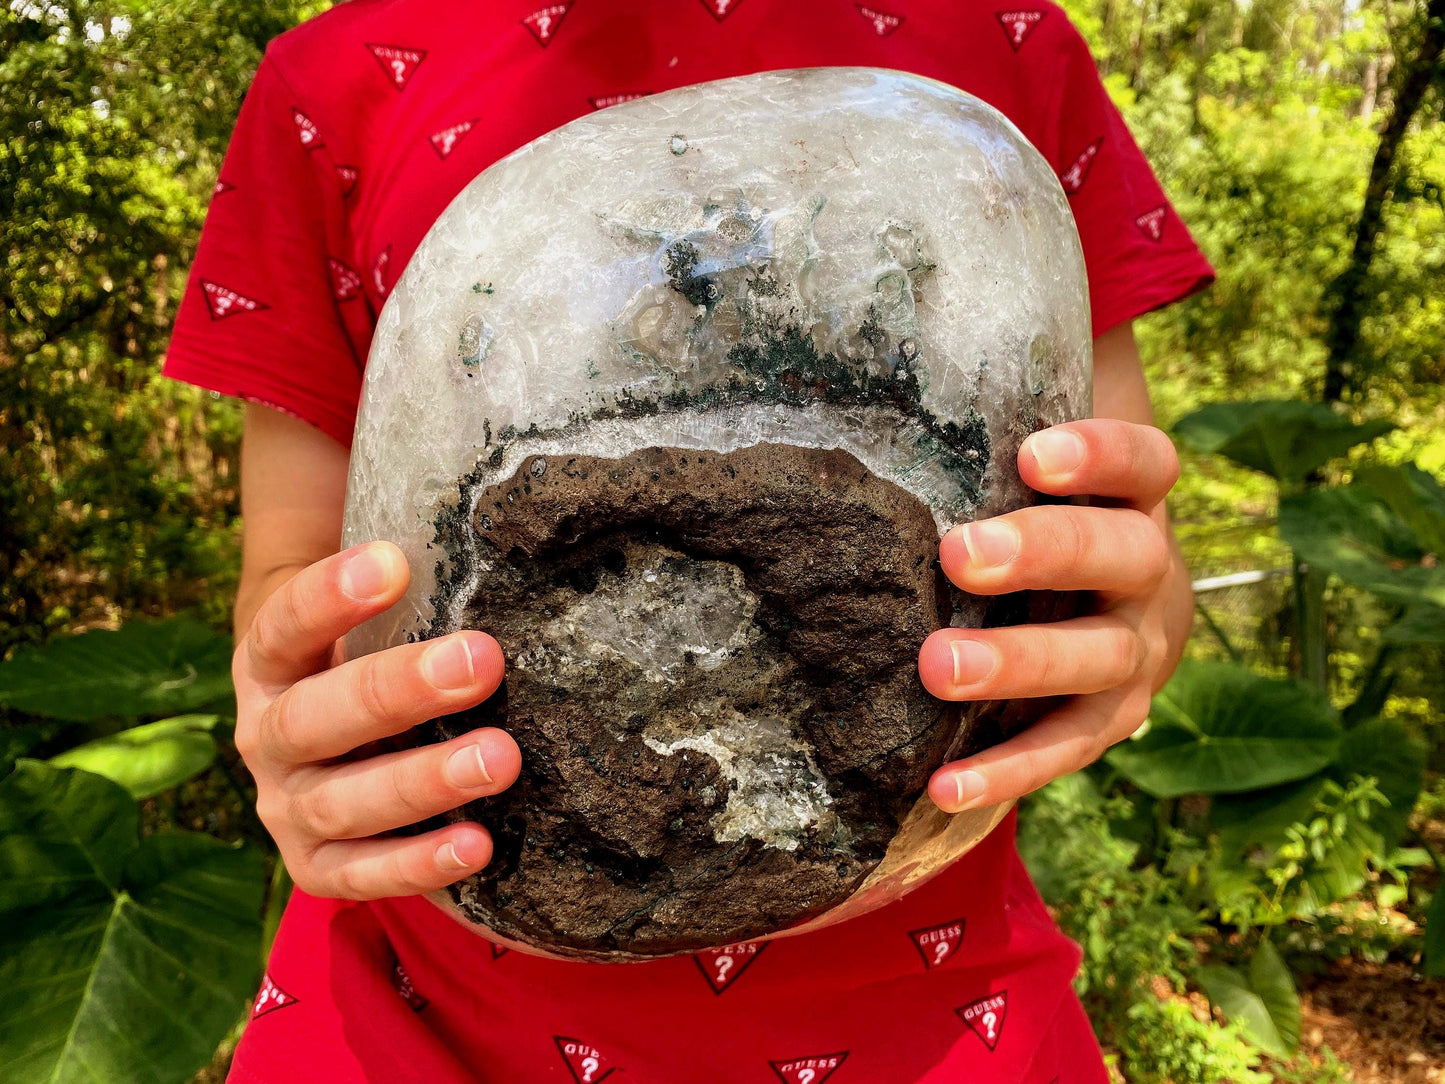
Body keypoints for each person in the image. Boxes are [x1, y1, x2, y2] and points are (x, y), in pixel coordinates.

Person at [164, 1, 1213, 1080]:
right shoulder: (337, 80)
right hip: (419, 1014)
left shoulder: (1004, 36)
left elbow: (1131, 555)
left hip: (939, 1009)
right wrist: (301, 727)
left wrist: (1125, 624)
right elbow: (293, 584)